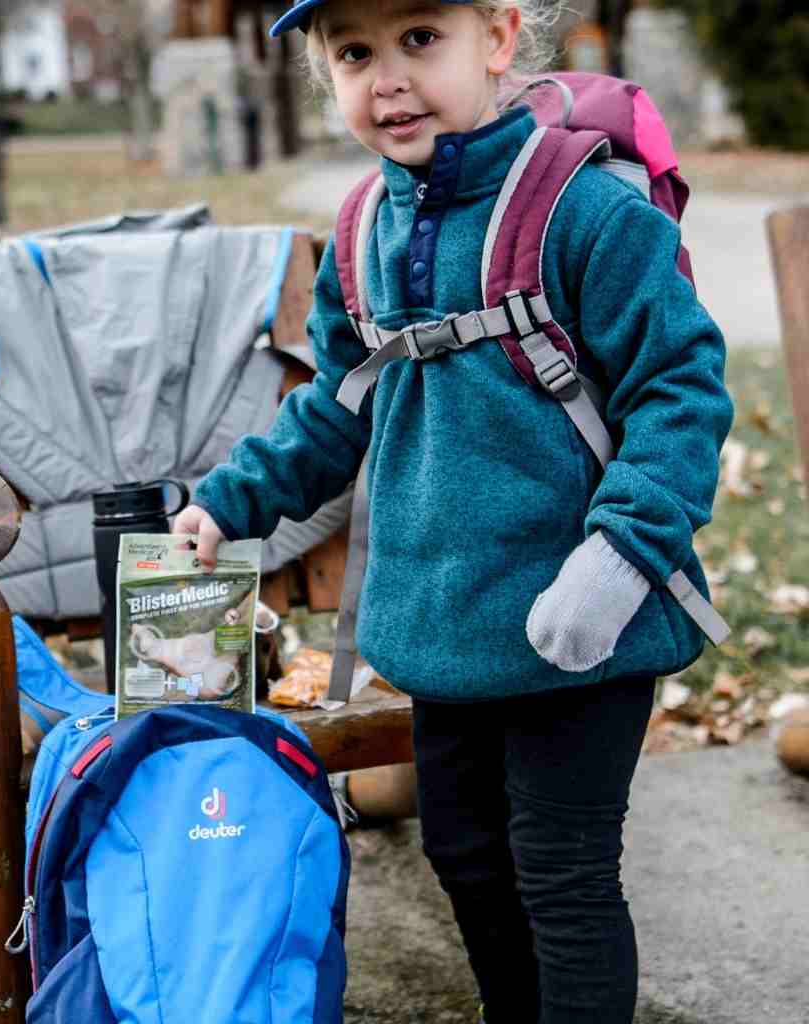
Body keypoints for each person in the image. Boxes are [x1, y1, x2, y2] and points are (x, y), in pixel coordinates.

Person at [173, 1, 733, 1021]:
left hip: (583, 624)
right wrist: (230, 501)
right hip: (442, 624)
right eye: (353, 53)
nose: (385, 77)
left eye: (417, 39)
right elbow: (336, 409)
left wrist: (620, 555)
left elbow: (680, 389)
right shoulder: (359, 233)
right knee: (466, 859)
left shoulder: (585, 212)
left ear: (497, 37)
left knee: (562, 874)